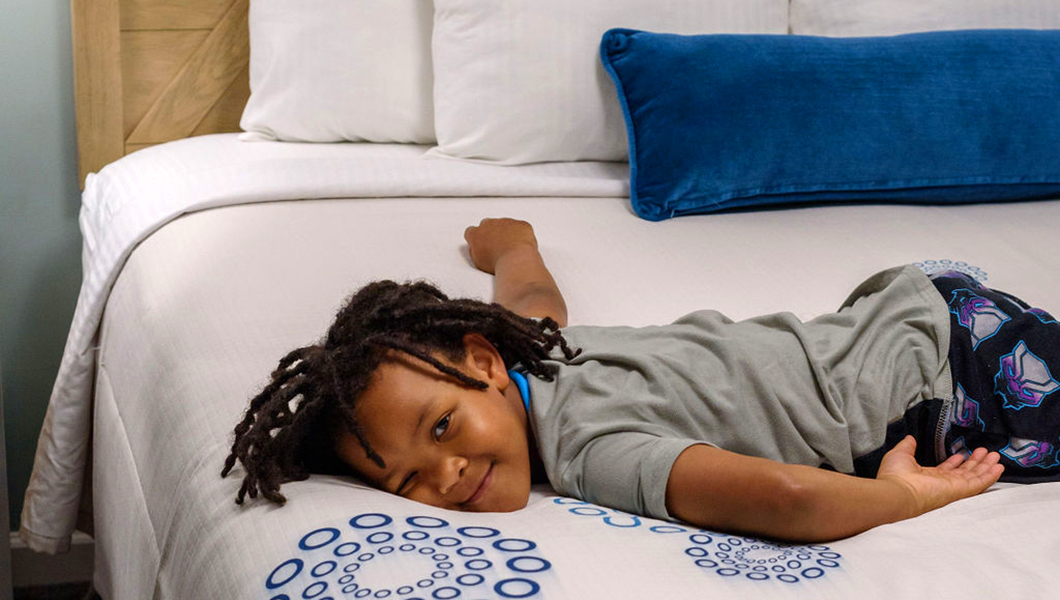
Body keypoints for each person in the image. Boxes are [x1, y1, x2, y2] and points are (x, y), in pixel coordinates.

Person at [222, 218, 1060, 542]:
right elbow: (531, 300)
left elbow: (788, 500)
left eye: (441, 429)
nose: (447, 475)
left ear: (482, 362)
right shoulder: (536, 354)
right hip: (920, 312)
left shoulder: (588, 448)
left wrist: (903, 499)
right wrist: (513, 247)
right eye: (408, 481)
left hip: (955, 381)